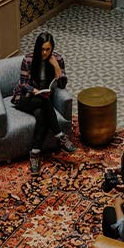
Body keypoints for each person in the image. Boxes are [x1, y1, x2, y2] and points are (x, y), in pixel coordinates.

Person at [12, 32, 76, 177]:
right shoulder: (28, 59)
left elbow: (62, 85)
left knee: (42, 113)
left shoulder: (57, 59)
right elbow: (23, 84)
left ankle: (35, 153)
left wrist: (56, 67)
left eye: (48, 49)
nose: (45, 53)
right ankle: (60, 135)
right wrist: (36, 91)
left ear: (52, 48)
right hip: (25, 98)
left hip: (42, 101)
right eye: (42, 49)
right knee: (43, 100)